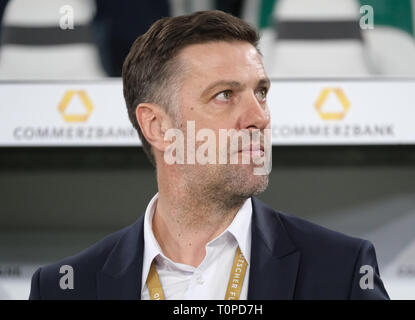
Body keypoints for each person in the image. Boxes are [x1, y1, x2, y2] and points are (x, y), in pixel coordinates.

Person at [29, 10, 389, 300]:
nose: (259, 117)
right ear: (156, 126)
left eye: (260, 92)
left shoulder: (341, 273)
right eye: (225, 95)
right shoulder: (65, 288)